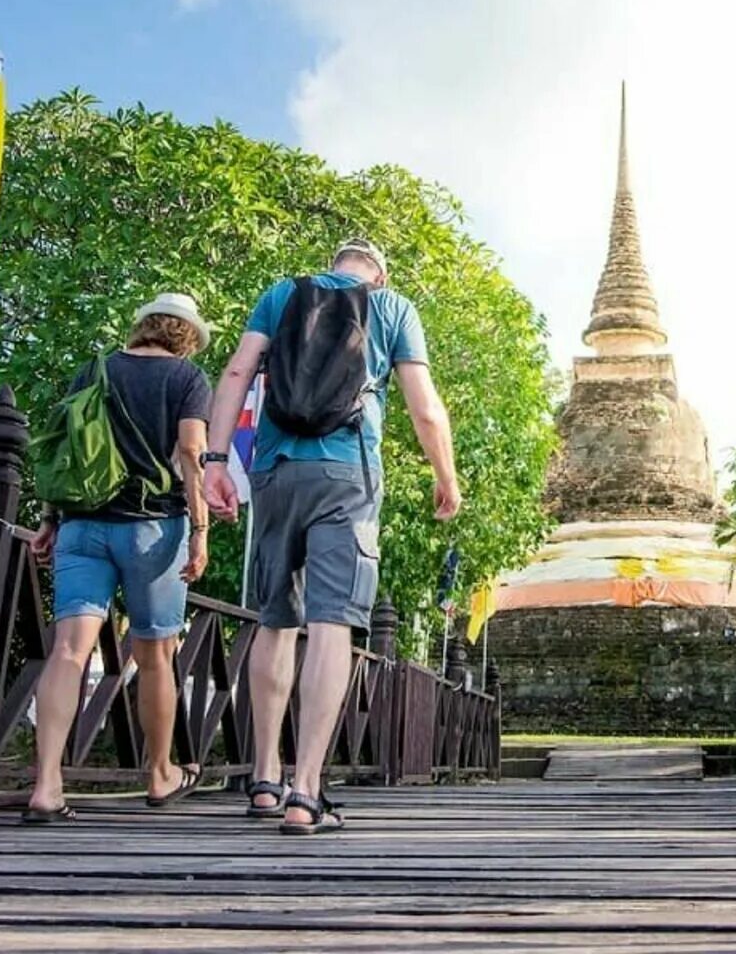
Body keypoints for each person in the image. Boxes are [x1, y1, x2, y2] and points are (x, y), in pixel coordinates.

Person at [204, 239, 460, 834]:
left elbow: (239, 371)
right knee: (331, 623)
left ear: (334, 262)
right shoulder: (393, 308)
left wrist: (216, 460)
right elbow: (424, 407)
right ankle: (306, 788)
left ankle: (264, 777)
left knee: (274, 620)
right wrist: (444, 474)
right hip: (348, 473)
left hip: (274, 470)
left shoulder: (281, 293)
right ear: (378, 271)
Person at [25, 293, 214, 822]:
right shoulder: (187, 379)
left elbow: (63, 448)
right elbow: (193, 456)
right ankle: (159, 775)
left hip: (82, 526)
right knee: (156, 654)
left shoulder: (93, 370)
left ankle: (46, 786)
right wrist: (200, 531)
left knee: (68, 652)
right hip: (153, 530)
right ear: (187, 336)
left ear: (144, 326)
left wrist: (48, 520)